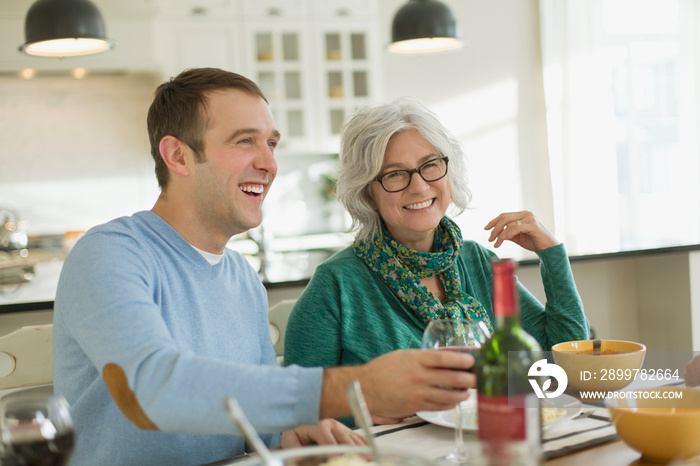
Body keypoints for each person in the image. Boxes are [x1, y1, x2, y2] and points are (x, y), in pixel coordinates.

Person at [52, 69, 476, 466]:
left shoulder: (241, 278)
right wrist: (353, 388)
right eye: (244, 141)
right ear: (177, 155)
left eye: (271, 143)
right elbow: (153, 390)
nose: (269, 163)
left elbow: (247, 425)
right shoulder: (110, 254)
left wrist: (288, 436)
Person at [283, 97, 590, 410]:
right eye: (394, 174)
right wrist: (374, 412)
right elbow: (298, 410)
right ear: (368, 194)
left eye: (430, 165)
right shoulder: (335, 285)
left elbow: (566, 367)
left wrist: (552, 254)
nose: (418, 187)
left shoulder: (479, 263)